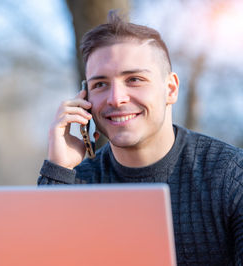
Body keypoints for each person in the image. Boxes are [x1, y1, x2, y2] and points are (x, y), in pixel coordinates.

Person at [37, 10, 243, 265]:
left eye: (134, 79)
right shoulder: (77, 182)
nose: (116, 98)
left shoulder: (231, 175)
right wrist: (58, 170)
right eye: (100, 84)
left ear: (170, 89)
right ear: (85, 98)